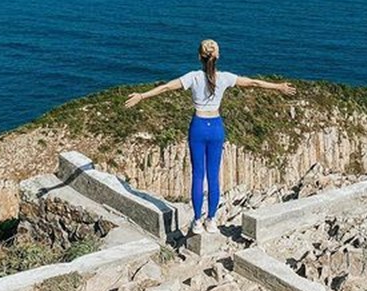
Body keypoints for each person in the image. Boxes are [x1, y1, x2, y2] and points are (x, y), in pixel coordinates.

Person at [124, 39, 296, 235]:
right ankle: (211, 220)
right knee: (213, 176)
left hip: (198, 127)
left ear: (199, 56)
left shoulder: (193, 77)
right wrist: (278, 87)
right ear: (218, 56)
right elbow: (253, 83)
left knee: (198, 176)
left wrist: (142, 96)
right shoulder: (224, 78)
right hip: (216, 128)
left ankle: (197, 221)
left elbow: (165, 88)